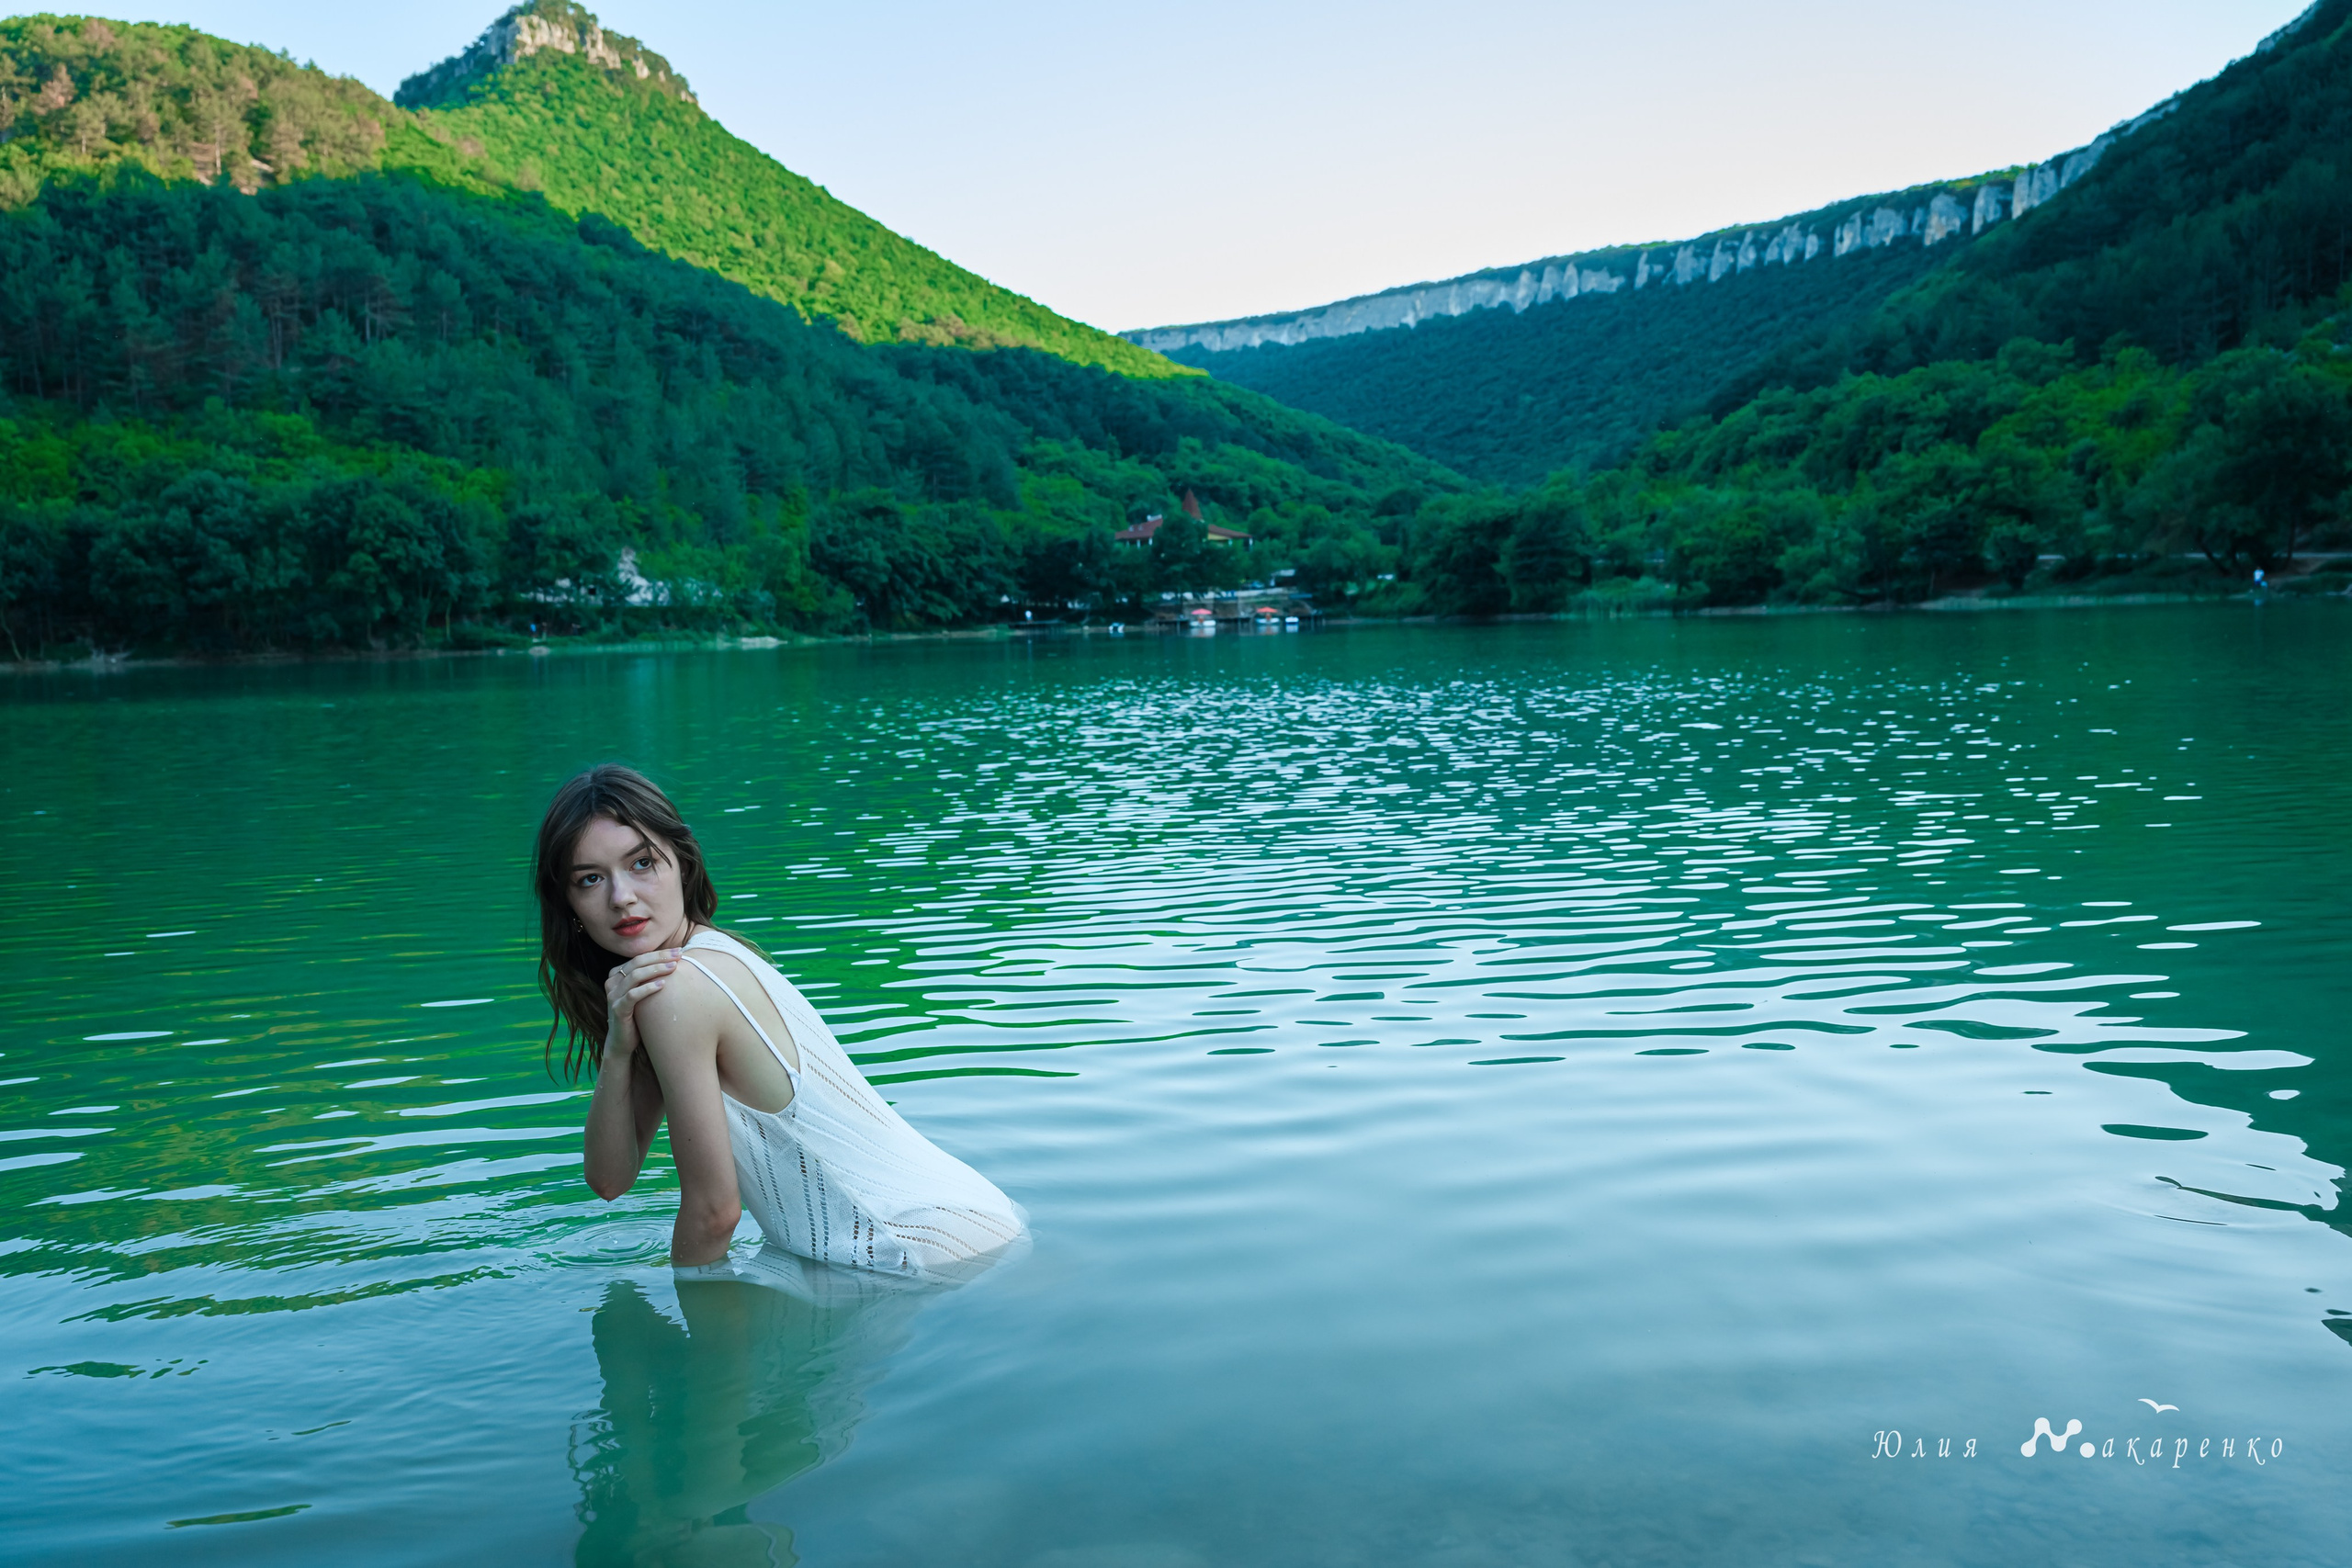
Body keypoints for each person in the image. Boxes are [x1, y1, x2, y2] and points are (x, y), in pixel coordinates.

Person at [534, 764, 1026, 1279]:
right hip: (965, 1224)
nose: (621, 897)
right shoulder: (696, 965)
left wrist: (692, 1350)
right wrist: (617, 1048)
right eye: (590, 879)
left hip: (911, 1252)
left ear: (682, 861)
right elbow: (610, 1181)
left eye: (641, 863)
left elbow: (714, 1214)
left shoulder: (679, 991)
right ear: (569, 903)